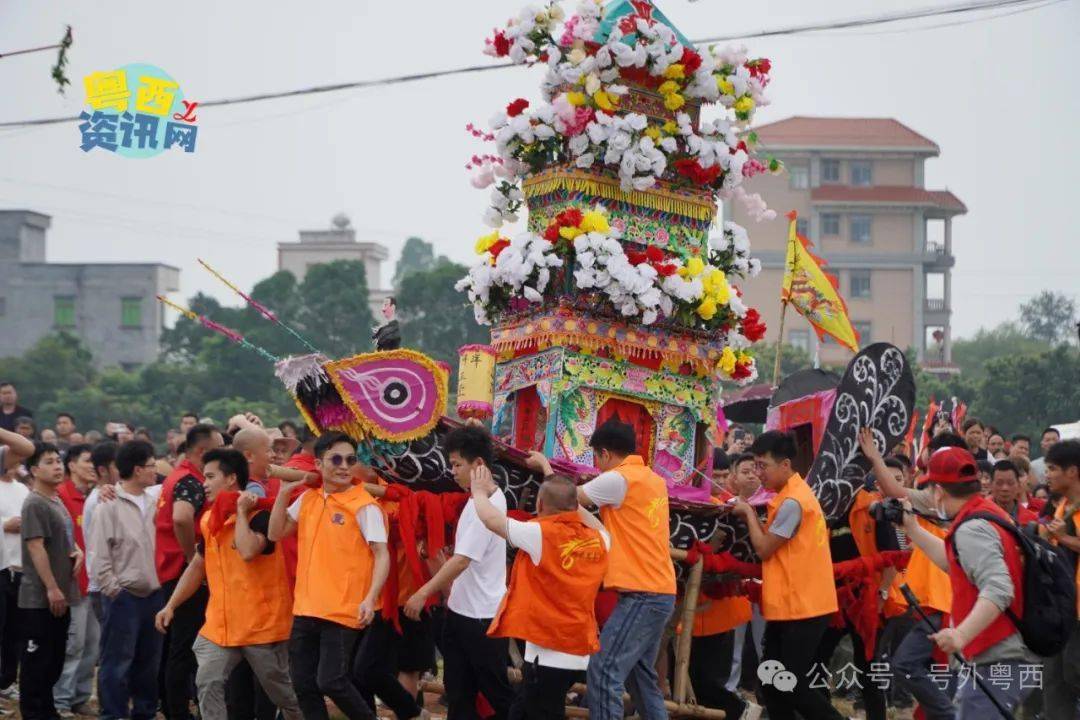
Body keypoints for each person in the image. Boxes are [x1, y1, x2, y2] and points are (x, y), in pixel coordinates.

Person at [156, 448, 301, 720]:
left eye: (210, 477)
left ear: (231, 478)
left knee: (284, 695)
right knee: (207, 682)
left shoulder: (260, 514)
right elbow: (198, 565)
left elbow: (247, 551)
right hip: (220, 626)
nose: (204, 483)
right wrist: (171, 605)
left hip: (261, 626)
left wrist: (242, 514)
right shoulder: (211, 518)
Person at [899, 446, 1036, 716]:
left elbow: (999, 588)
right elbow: (958, 562)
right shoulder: (986, 513)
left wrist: (961, 634)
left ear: (937, 491)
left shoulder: (973, 528)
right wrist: (913, 530)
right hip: (999, 655)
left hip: (997, 656)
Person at [472, 464, 610, 720]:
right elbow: (595, 523)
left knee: (543, 712)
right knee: (521, 711)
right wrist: (565, 495)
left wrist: (478, 492)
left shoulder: (541, 533)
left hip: (551, 651)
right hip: (576, 649)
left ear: (539, 503)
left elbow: (491, 520)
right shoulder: (600, 539)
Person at [268, 432, 389, 720]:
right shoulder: (309, 498)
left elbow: (382, 554)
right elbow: (275, 533)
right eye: (336, 459)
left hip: (344, 608)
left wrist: (370, 597)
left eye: (350, 459)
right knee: (303, 685)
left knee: (331, 681)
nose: (344, 466)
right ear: (319, 464)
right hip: (307, 606)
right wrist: (284, 493)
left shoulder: (364, 505)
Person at [730, 431, 843, 720]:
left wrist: (748, 515)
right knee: (771, 683)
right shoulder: (788, 497)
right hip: (792, 604)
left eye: (763, 466)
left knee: (791, 685)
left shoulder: (794, 502)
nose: (759, 473)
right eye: (755, 465)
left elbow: (765, 549)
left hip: (805, 606)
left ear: (785, 465)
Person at [404, 424, 513, 720]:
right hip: (462, 612)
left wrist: (423, 592)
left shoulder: (487, 504)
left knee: (496, 693)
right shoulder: (476, 500)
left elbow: (463, 560)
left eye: (456, 464)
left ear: (478, 465)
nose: (452, 471)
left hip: (482, 617)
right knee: (459, 691)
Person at [570, 419, 676, 720]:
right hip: (658, 590)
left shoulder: (618, 479)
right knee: (640, 679)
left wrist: (547, 471)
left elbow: (567, 497)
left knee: (603, 669)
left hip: (644, 592)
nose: (597, 465)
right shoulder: (652, 478)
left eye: (596, 458)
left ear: (604, 454)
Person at [863, 428, 962, 719]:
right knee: (940, 669)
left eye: (932, 457)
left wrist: (874, 457)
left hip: (944, 600)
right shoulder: (948, 497)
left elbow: (894, 490)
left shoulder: (938, 498)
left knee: (908, 664)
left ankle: (949, 715)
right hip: (940, 600)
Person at [89, 440, 165, 720]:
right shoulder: (107, 506)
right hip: (125, 596)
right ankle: (113, 713)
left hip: (155, 594)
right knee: (116, 662)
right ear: (136, 469)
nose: (155, 471)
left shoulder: (156, 500)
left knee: (148, 662)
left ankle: (144, 712)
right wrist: (114, 589)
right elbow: (99, 555)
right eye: (151, 466)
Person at [156, 423, 223, 720]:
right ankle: (178, 712)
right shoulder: (190, 481)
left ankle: (174, 708)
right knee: (183, 649)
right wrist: (191, 556)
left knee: (174, 647)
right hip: (183, 571)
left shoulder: (176, 476)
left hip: (170, 569)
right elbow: (182, 518)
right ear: (203, 451)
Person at [19, 442, 83, 720]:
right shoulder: (34, 502)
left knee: (54, 659)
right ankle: (34, 713)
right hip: (40, 597)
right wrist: (52, 587)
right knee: (37, 663)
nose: (57, 466)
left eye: (58, 460)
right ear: (34, 470)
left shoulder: (55, 500)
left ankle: (47, 711)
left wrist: (77, 551)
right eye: (49, 462)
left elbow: (63, 538)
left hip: (62, 593)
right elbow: (35, 547)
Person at [55, 444, 99, 717]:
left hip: (93, 584)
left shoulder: (95, 496)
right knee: (72, 646)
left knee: (91, 646)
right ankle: (60, 700)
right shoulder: (61, 497)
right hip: (71, 585)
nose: (92, 466)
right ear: (71, 465)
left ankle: (80, 697)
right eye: (87, 461)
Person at [1040, 440, 1080, 720]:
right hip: (1063, 606)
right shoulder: (1063, 505)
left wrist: (1062, 537)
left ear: (1072, 471)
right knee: (1054, 680)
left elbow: (1064, 539)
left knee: (1074, 671)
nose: (1048, 475)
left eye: (1053, 469)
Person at [0, 428, 33, 699]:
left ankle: (6, 681)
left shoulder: (21, 489)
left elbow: (26, 448)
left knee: (14, 632)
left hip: (18, 569)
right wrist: (3, 526)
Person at [988, 459, 1038, 526]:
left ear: (1018, 485)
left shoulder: (1031, 520)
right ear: (990, 485)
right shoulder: (982, 515)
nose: (1005, 488)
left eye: (1010, 483)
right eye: (999, 483)